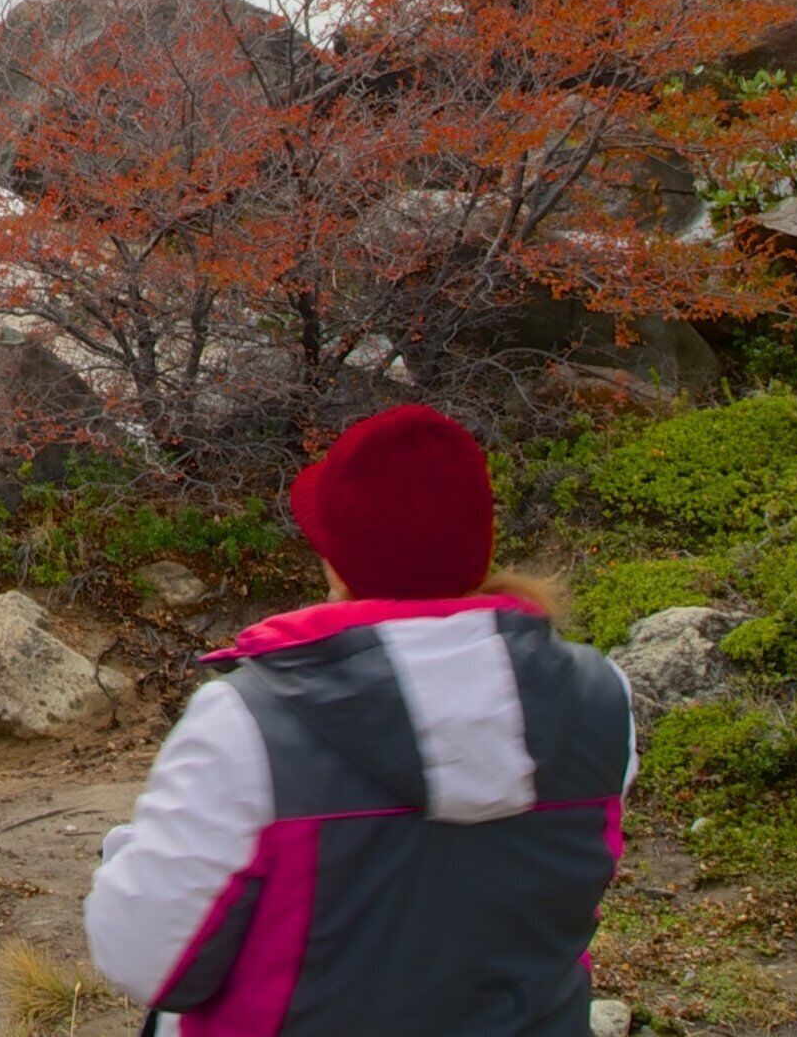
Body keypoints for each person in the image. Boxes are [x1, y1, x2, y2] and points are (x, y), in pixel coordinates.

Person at [85, 404, 636, 1036]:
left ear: (339, 566)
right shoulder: (602, 698)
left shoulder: (247, 722)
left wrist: (125, 856)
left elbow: (148, 966)